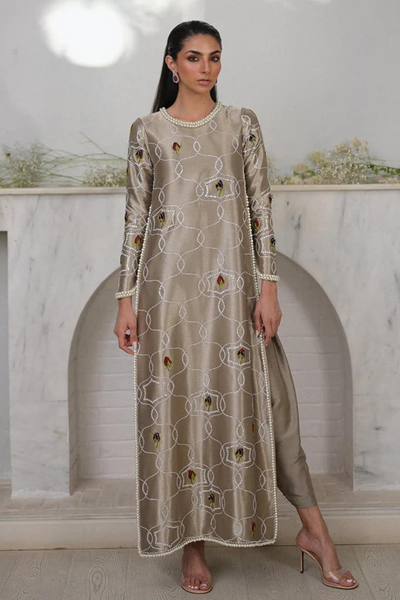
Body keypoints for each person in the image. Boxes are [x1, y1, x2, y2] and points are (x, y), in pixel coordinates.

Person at [113, 20, 358, 595]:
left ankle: (316, 534)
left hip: (236, 296)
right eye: (194, 57)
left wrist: (267, 288)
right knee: (179, 414)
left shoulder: (241, 124)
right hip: (169, 297)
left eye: (215, 57)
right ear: (171, 63)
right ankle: (192, 546)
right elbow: (135, 218)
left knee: (272, 410)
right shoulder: (147, 130)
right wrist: (126, 300)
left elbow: (260, 209)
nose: (207, 68)